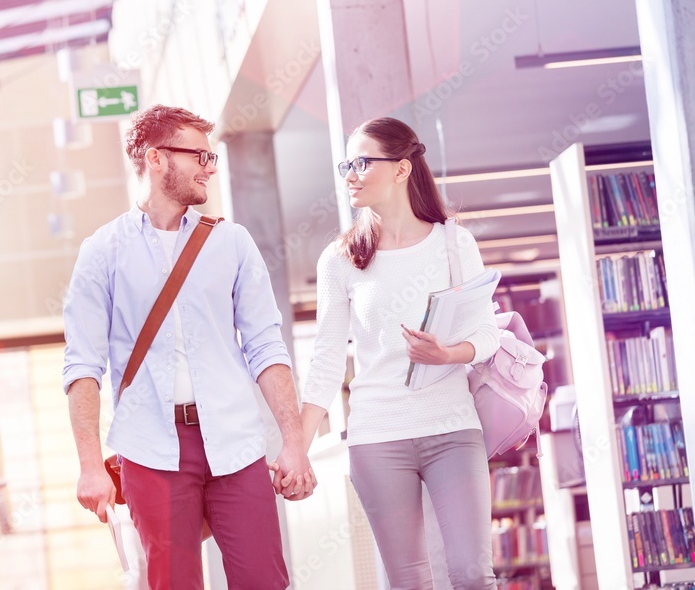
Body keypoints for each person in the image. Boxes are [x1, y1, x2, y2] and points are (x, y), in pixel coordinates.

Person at [63, 104, 315, 589]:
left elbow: (266, 347)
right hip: (149, 449)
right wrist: (91, 465)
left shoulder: (233, 243)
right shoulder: (102, 252)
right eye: (198, 155)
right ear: (155, 159)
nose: (209, 167)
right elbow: (82, 367)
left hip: (236, 442)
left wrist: (293, 443)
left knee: (264, 580)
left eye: (212, 156)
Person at [299, 117, 500, 589]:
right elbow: (327, 359)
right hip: (378, 435)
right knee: (407, 581)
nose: (350, 173)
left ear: (402, 170)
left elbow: (487, 334)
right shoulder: (341, 259)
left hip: (453, 427)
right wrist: (298, 447)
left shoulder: (455, 243)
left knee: (473, 573)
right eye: (347, 162)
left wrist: (449, 354)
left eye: (363, 161)